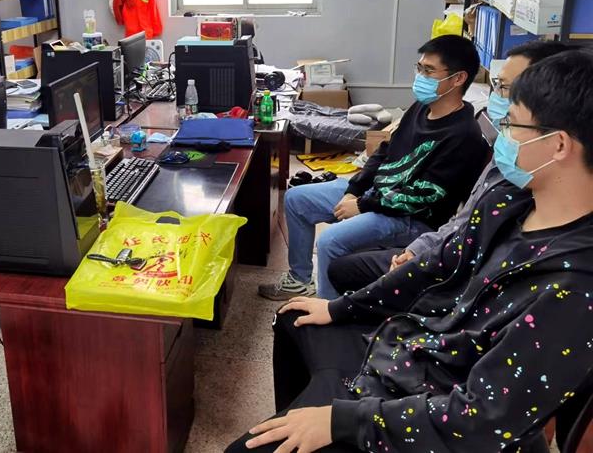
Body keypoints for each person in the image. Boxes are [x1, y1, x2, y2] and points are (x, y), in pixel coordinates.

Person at [227, 49, 593, 453]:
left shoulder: (575, 287)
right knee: (293, 317)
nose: (501, 133)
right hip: (417, 352)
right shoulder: (509, 203)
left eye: (512, 123)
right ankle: (302, 418)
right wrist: (340, 308)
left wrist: (341, 421)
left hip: (434, 410)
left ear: (558, 144)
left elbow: (482, 419)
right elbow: (434, 265)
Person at [328, 41, 579, 297]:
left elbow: (436, 209)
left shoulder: (478, 145)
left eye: (505, 88)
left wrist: (365, 205)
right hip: (430, 238)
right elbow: (463, 221)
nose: (497, 98)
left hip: (431, 243)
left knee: (333, 246)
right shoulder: (505, 155)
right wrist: (414, 249)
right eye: (496, 85)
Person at [259, 35, 489, 301]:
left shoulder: (464, 136)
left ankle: (329, 309)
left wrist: (362, 205)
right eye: (419, 68)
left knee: (330, 241)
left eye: (429, 70)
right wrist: (354, 190)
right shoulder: (421, 107)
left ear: (458, 78)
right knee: (296, 199)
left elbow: (422, 198)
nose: (420, 77)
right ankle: (300, 280)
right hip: (377, 196)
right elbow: (385, 151)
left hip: (411, 219)